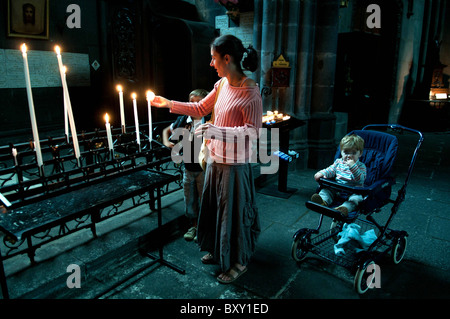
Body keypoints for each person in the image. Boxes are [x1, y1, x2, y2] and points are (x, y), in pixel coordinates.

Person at [152, 34, 262, 284]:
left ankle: (240, 260)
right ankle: (220, 251)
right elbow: (201, 108)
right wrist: (169, 103)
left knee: (233, 214)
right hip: (214, 160)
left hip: (235, 165)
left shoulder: (250, 91)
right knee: (214, 211)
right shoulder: (221, 84)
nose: (211, 64)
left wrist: (215, 130)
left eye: (214, 58)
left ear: (227, 58)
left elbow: (252, 132)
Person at [162, 89, 209, 241]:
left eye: (199, 102)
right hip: (188, 167)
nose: (194, 105)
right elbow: (166, 130)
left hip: (204, 168)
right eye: (191, 102)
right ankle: (193, 225)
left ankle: (204, 227)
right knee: (190, 198)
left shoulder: (209, 120)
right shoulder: (183, 120)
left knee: (205, 198)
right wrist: (166, 141)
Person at [311, 134, 367, 216]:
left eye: (354, 153)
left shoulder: (361, 166)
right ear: (341, 152)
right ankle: (323, 202)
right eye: (346, 152)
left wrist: (353, 166)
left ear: (360, 153)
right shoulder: (338, 162)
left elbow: (360, 179)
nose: (349, 156)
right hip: (337, 188)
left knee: (356, 200)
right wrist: (322, 173)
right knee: (326, 191)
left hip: (353, 191)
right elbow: (330, 170)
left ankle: (344, 209)